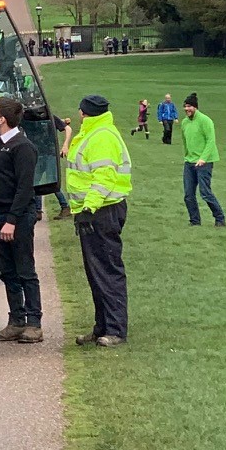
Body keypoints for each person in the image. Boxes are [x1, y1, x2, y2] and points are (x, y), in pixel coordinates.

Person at [67, 94, 132, 346]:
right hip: (95, 210)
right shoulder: (94, 132)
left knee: (107, 271)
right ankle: (101, 327)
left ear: (85, 112)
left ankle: (115, 330)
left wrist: (88, 208)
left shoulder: (101, 136)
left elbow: (104, 177)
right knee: (96, 272)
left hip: (102, 210)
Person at [0, 95, 43, 343]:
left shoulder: (23, 147)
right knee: (8, 271)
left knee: (25, 269)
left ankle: (34, 323)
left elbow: (24, 188)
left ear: (2, 119)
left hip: (16, 216)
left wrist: (11, 220)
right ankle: (16, 320)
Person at [181, 92, 226, 227]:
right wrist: (187, 156)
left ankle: (220, 218)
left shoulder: (205, 121)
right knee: (188, 195)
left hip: (203, 163)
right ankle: (195, 221)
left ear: (195, 107)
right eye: (185, 106)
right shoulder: (184, 122)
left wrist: (203, 159)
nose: (187, 109)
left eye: (189, 106)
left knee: (205, 192)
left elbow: (211, 141)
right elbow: (185, 141)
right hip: (189, 162)